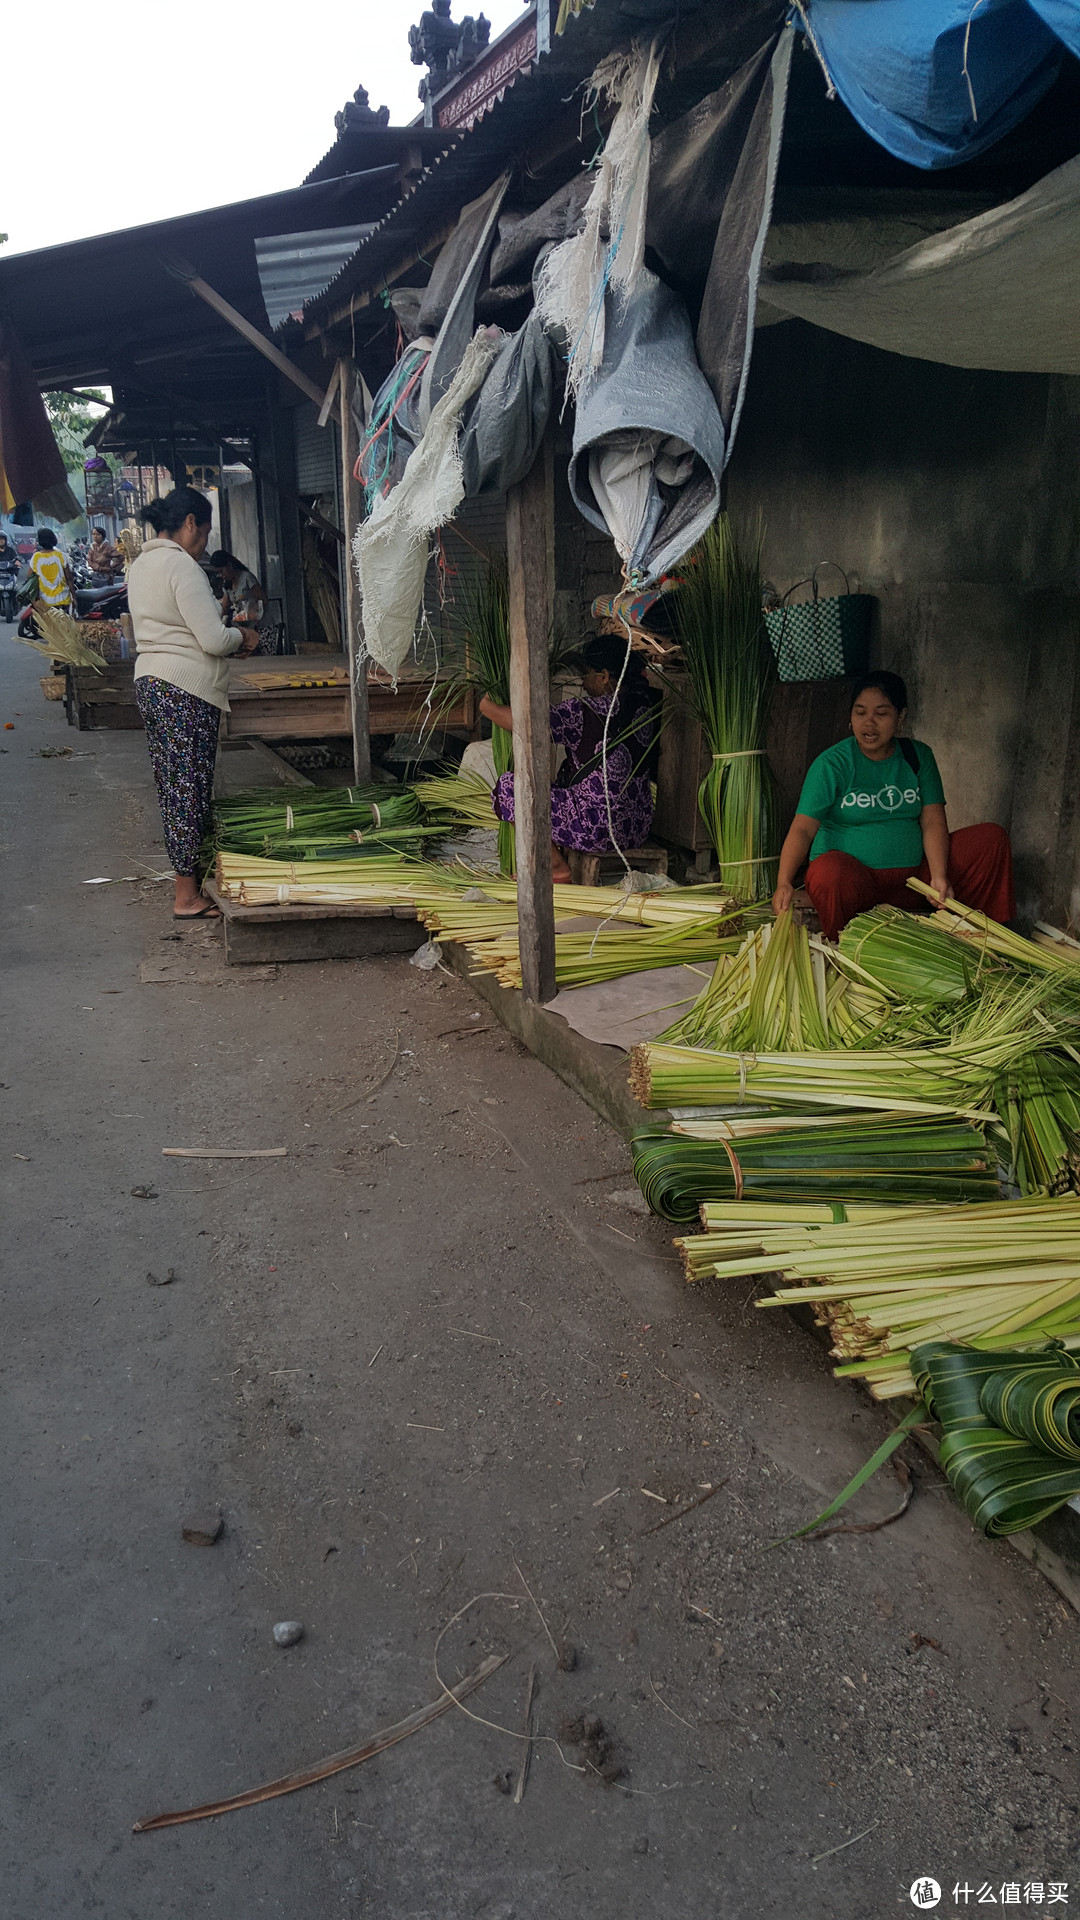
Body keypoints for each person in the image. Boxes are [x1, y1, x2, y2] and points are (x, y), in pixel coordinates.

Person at [771, 670, 1015, 941]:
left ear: (901, 718)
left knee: (990, 840)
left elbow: (933, 821)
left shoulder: (918, 756)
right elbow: (803, 829)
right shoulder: (832, 764)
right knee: (828, 873)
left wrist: (939, 877)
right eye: (860, 712)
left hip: (915, 882)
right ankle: (848, 943)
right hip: (857, 886)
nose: (869, 723)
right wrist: (784, 882)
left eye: (882, 713)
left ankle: (987, 941)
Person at [128, 487, 260, 920]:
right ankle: (186, 897)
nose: (203, 545)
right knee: (190, 788)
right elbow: (213, 638)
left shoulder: (143, 563)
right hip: (184, 689)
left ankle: (191, 882)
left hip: (153, 682)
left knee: (174, 785)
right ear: (188, 523)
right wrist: (244, 637)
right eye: (202, 534)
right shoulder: (180, 566)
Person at [480, 634, 660, 884]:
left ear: (604, 677)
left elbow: (525, 724)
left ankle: (556, 865)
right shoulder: (645, 705)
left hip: (598, 829)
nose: (584, 684)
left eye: (587, 675)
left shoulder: (586, 712)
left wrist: (486, 707)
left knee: (510, 788)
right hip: (635, 828)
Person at [209, 549, 265, 641]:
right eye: (218, 573)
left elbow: (263, 600)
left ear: (229, 565)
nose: (221, 575)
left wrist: (253, 613)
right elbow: (225, 608)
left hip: (261, 627)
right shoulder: (228, 585)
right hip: (244, 627)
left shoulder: (247, 578)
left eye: (222, 571)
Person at [27, 528, 73, 608]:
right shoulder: (61, 556)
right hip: (63, 599)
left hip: (44, 601)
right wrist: (74, 597)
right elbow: (69, 579)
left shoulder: (36, 557)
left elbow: (29, 577)